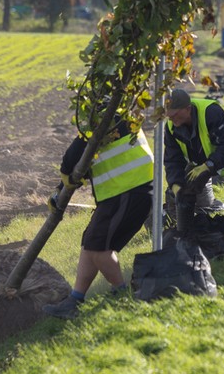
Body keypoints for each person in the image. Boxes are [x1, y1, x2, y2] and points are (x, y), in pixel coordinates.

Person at [42, 124, 154, 318]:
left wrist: (65, 171)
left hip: (128, 190)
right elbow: (86, 160)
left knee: (97, 247)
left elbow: (77, 151)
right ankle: (75, 300)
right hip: (120, 191)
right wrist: (61, 188)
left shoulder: (108, 117)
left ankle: (122, 295)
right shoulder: (115, 116)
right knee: (90, 242)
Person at [163, 88, 224, 251]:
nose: (171, 118)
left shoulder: (211, 112)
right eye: (168, 115)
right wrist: (176, 184)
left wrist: (209, 166)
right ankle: (187, 243)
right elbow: (173, 160)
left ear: (187, 109)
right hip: (200, 162)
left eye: (174, 114)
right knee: (181, 194)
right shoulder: (171, 127)